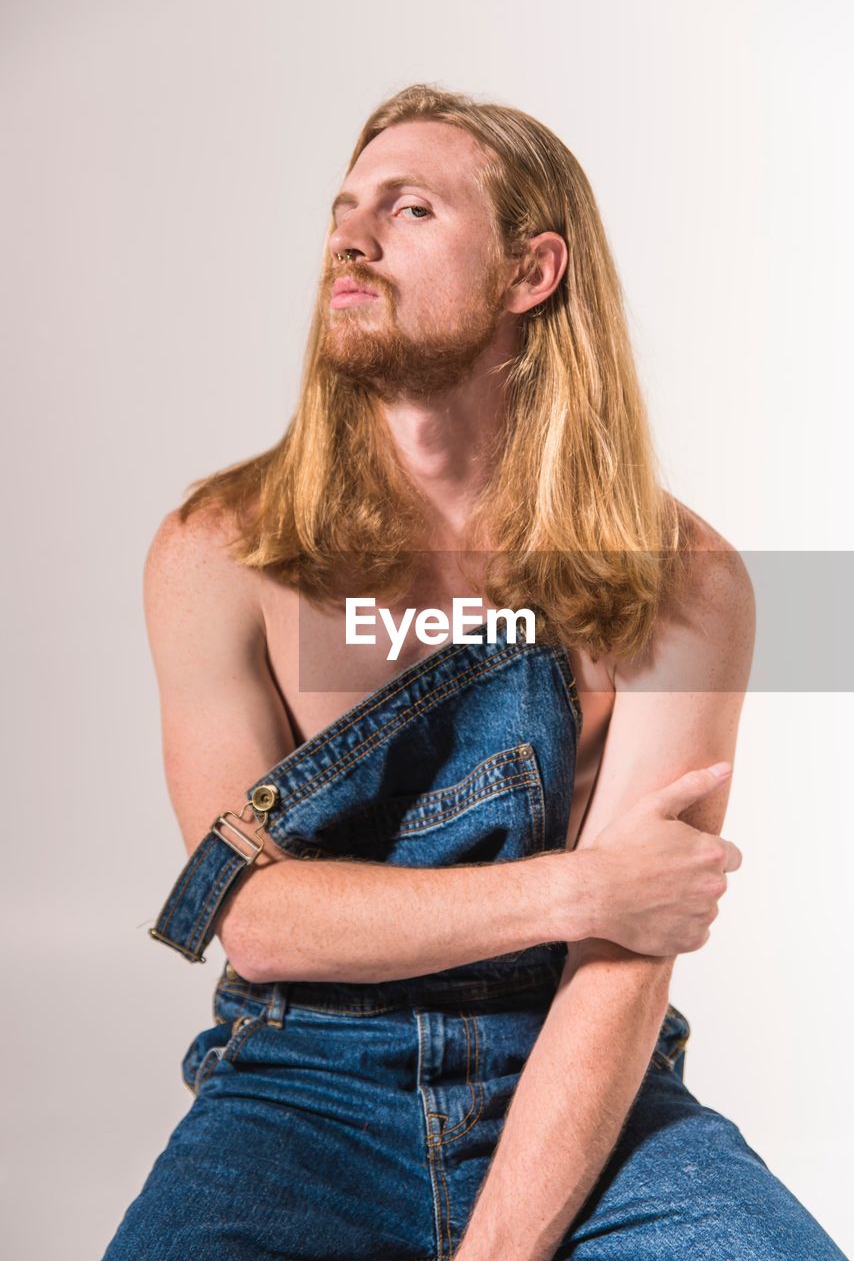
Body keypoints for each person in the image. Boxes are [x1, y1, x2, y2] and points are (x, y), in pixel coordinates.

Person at [104, 85, 847, 1260]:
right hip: (300, 1082)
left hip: (580, 1077)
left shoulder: (685, 578)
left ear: (529, 271)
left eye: (408, 210)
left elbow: (625, 956)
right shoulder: (218, 552)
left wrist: (499, 1249)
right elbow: (255, 918)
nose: (350, 238)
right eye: (344, 211)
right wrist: (576, 889)